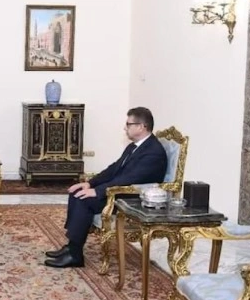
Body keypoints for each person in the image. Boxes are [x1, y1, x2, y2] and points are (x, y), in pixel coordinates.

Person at [44, 107, 167, 268]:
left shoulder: (153, 152)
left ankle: (75, 256)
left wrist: (97, 191)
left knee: (84, 200)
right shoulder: (134, 146)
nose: (125, 128)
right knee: (77, 193)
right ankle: (72, 246)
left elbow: (129, 179)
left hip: (132, 198)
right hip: (119, 191)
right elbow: (114, 169)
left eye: (128, 124)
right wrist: (90, 183)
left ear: (141, 127)